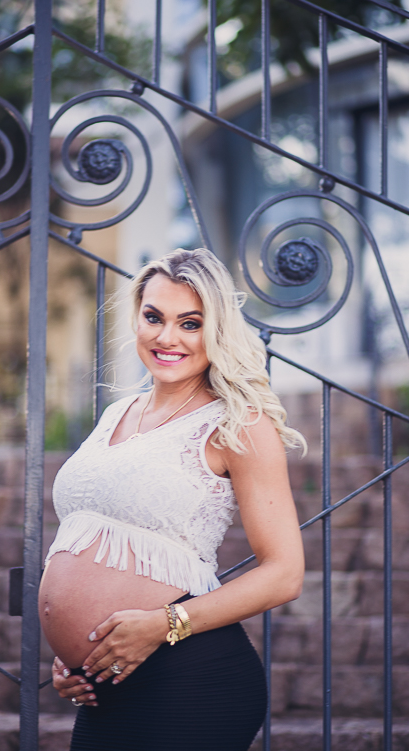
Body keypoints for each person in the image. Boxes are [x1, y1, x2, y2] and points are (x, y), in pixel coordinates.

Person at [39, 248, 305, 751]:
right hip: (108, 685)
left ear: (217, 331)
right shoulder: (117, 412)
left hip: (188, 678)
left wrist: (165, 624)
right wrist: (75, 656)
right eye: (154, 317)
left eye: (190, 323)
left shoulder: (237, 423)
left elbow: (284, 574)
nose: (167, 337)